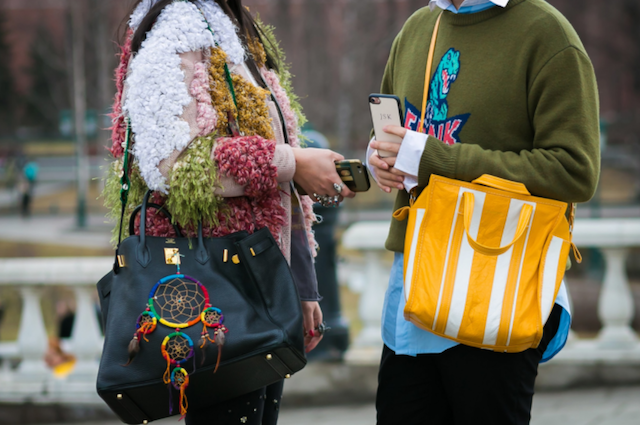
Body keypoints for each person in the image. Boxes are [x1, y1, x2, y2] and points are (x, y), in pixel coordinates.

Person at [105, 1, 354, 423]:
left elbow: (276, 196)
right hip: (217, 290)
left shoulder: (235, 32)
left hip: (259, 285)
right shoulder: (177, 33)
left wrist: (303, 285)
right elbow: (172, 164)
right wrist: (291, 163)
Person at [367, 0, 600, 424]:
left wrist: (434, 157)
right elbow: (400, 133)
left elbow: (574, 171)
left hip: (496, 290)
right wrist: (380, 156)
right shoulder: (419, 25)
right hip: (411, 294)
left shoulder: (548, 34)